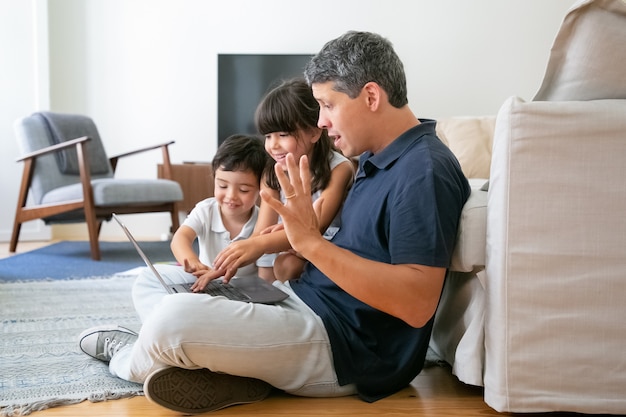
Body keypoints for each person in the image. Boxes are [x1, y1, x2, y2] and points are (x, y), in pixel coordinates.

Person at [77, 31, 471, 414]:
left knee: (171, 318)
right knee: (152, 280)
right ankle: (235, 367)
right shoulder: (375, 156)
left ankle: (130, 355)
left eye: (327, 105)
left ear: (370, 96)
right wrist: (301, 244)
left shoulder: (423, 171)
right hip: (301, 301)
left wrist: (308, 242)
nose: (320, 121)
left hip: (345, 346)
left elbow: (417, 304)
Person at [215, 78, 354, 283]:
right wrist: (227, 263)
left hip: (323, 246)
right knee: (271, 266)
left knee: (286, 265)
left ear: (314, 132)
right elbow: (262, 232)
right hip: (282, 244)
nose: (273, 145)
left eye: (282, 134)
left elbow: (314, 228)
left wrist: (259, 244)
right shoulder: (272, 171)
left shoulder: (339, 169)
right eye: (268, 136)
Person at [133, 133, 269, 322]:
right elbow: (180, 238)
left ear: (261, 189)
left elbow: (266, 280)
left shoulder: (264, 221)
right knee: (148, 278)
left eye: (244, 190)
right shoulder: (207, 209)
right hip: (203, 284)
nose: (231, 196)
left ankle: (181, 320)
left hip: (241, 295)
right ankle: (157, 325)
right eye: (222, 186)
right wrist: (191, 261)